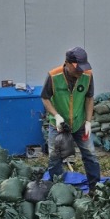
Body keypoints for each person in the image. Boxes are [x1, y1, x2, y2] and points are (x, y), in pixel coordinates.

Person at [41, 47, 101, 193]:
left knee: (91, 155)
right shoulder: (54, 76)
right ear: (67, 63)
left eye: (82, 68)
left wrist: (87, 121)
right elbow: (45, 98)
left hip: (79, 123)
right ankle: (57, 190)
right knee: (55, 157)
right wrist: (56, 115)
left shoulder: (87, 75)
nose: (80, 71)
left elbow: (89, 98)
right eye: (77, 69)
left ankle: (95, 189)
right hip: (58, 125)